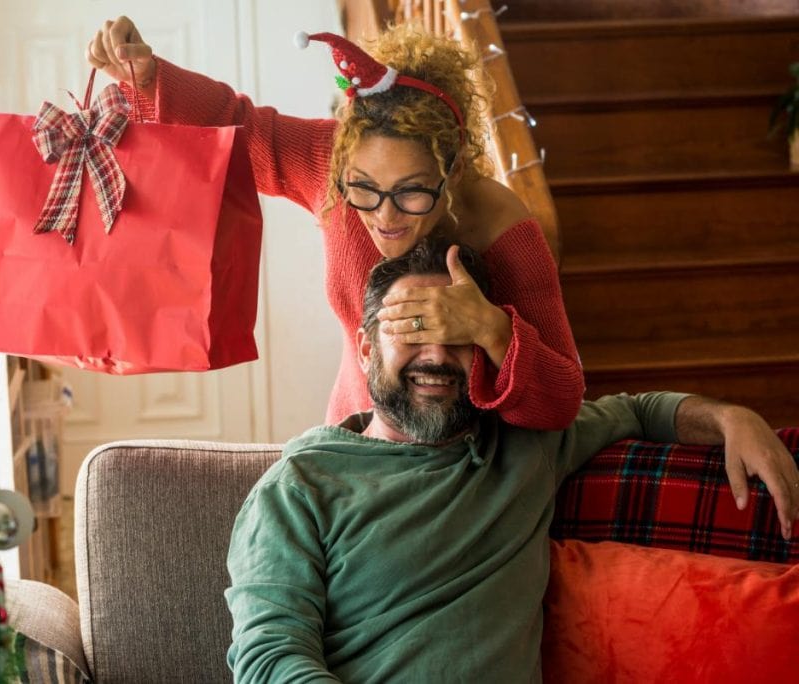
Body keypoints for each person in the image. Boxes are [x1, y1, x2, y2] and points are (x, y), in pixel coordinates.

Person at [224, 236, 799, 683]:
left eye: (458, 333)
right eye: (414, 328)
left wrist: (731, 419)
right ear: (368, 346)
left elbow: (640, 409)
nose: (436, 355)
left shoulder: (525, 442)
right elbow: (270, 654)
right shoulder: (301, 483)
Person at [87, 19, 584, 429]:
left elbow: (563, 402)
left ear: (452, 170)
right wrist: (148, 77)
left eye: (411, 192)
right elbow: (237, 124)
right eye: (363, 190)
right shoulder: (328, 165)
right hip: (355, 438)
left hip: (465, 467)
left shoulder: (501, 226)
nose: (384, 217)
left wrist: (492, 330)